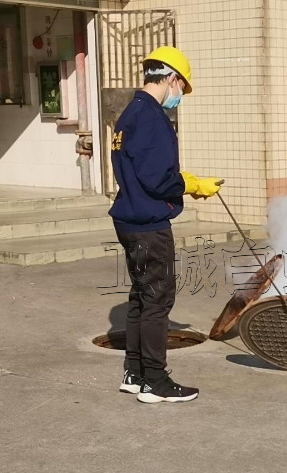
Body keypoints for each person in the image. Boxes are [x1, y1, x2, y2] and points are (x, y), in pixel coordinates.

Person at [109, 46, 223, 402]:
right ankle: (155, 382)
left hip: (128, 217)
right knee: (158, 300)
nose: (179, 97)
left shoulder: (129, 113)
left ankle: (134, 372)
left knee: (142, 298)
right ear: (172, 78)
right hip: (148, 222)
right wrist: (188, 184)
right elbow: (158, 178)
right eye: (181, 88)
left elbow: (141, 167)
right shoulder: (153, 117)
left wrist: (180, 177)